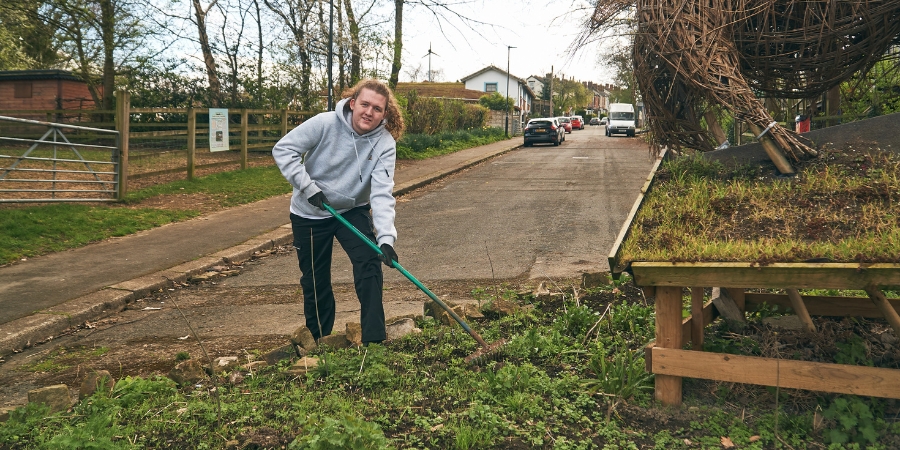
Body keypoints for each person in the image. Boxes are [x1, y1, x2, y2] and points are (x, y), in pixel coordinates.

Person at [272, 79, 405, 345]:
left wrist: (386, 240)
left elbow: (381, 193)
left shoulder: (384, 143)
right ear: (353, 103)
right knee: (315, 279)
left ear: (385, 114)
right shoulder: (324, 123)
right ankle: (320, 340)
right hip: (309, 212)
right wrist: (308, 188)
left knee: (369, 264)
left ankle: (374, 340)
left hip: (351, 210)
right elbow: (283, 150)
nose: (369, 112)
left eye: (377, 109)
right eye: (365, 104)